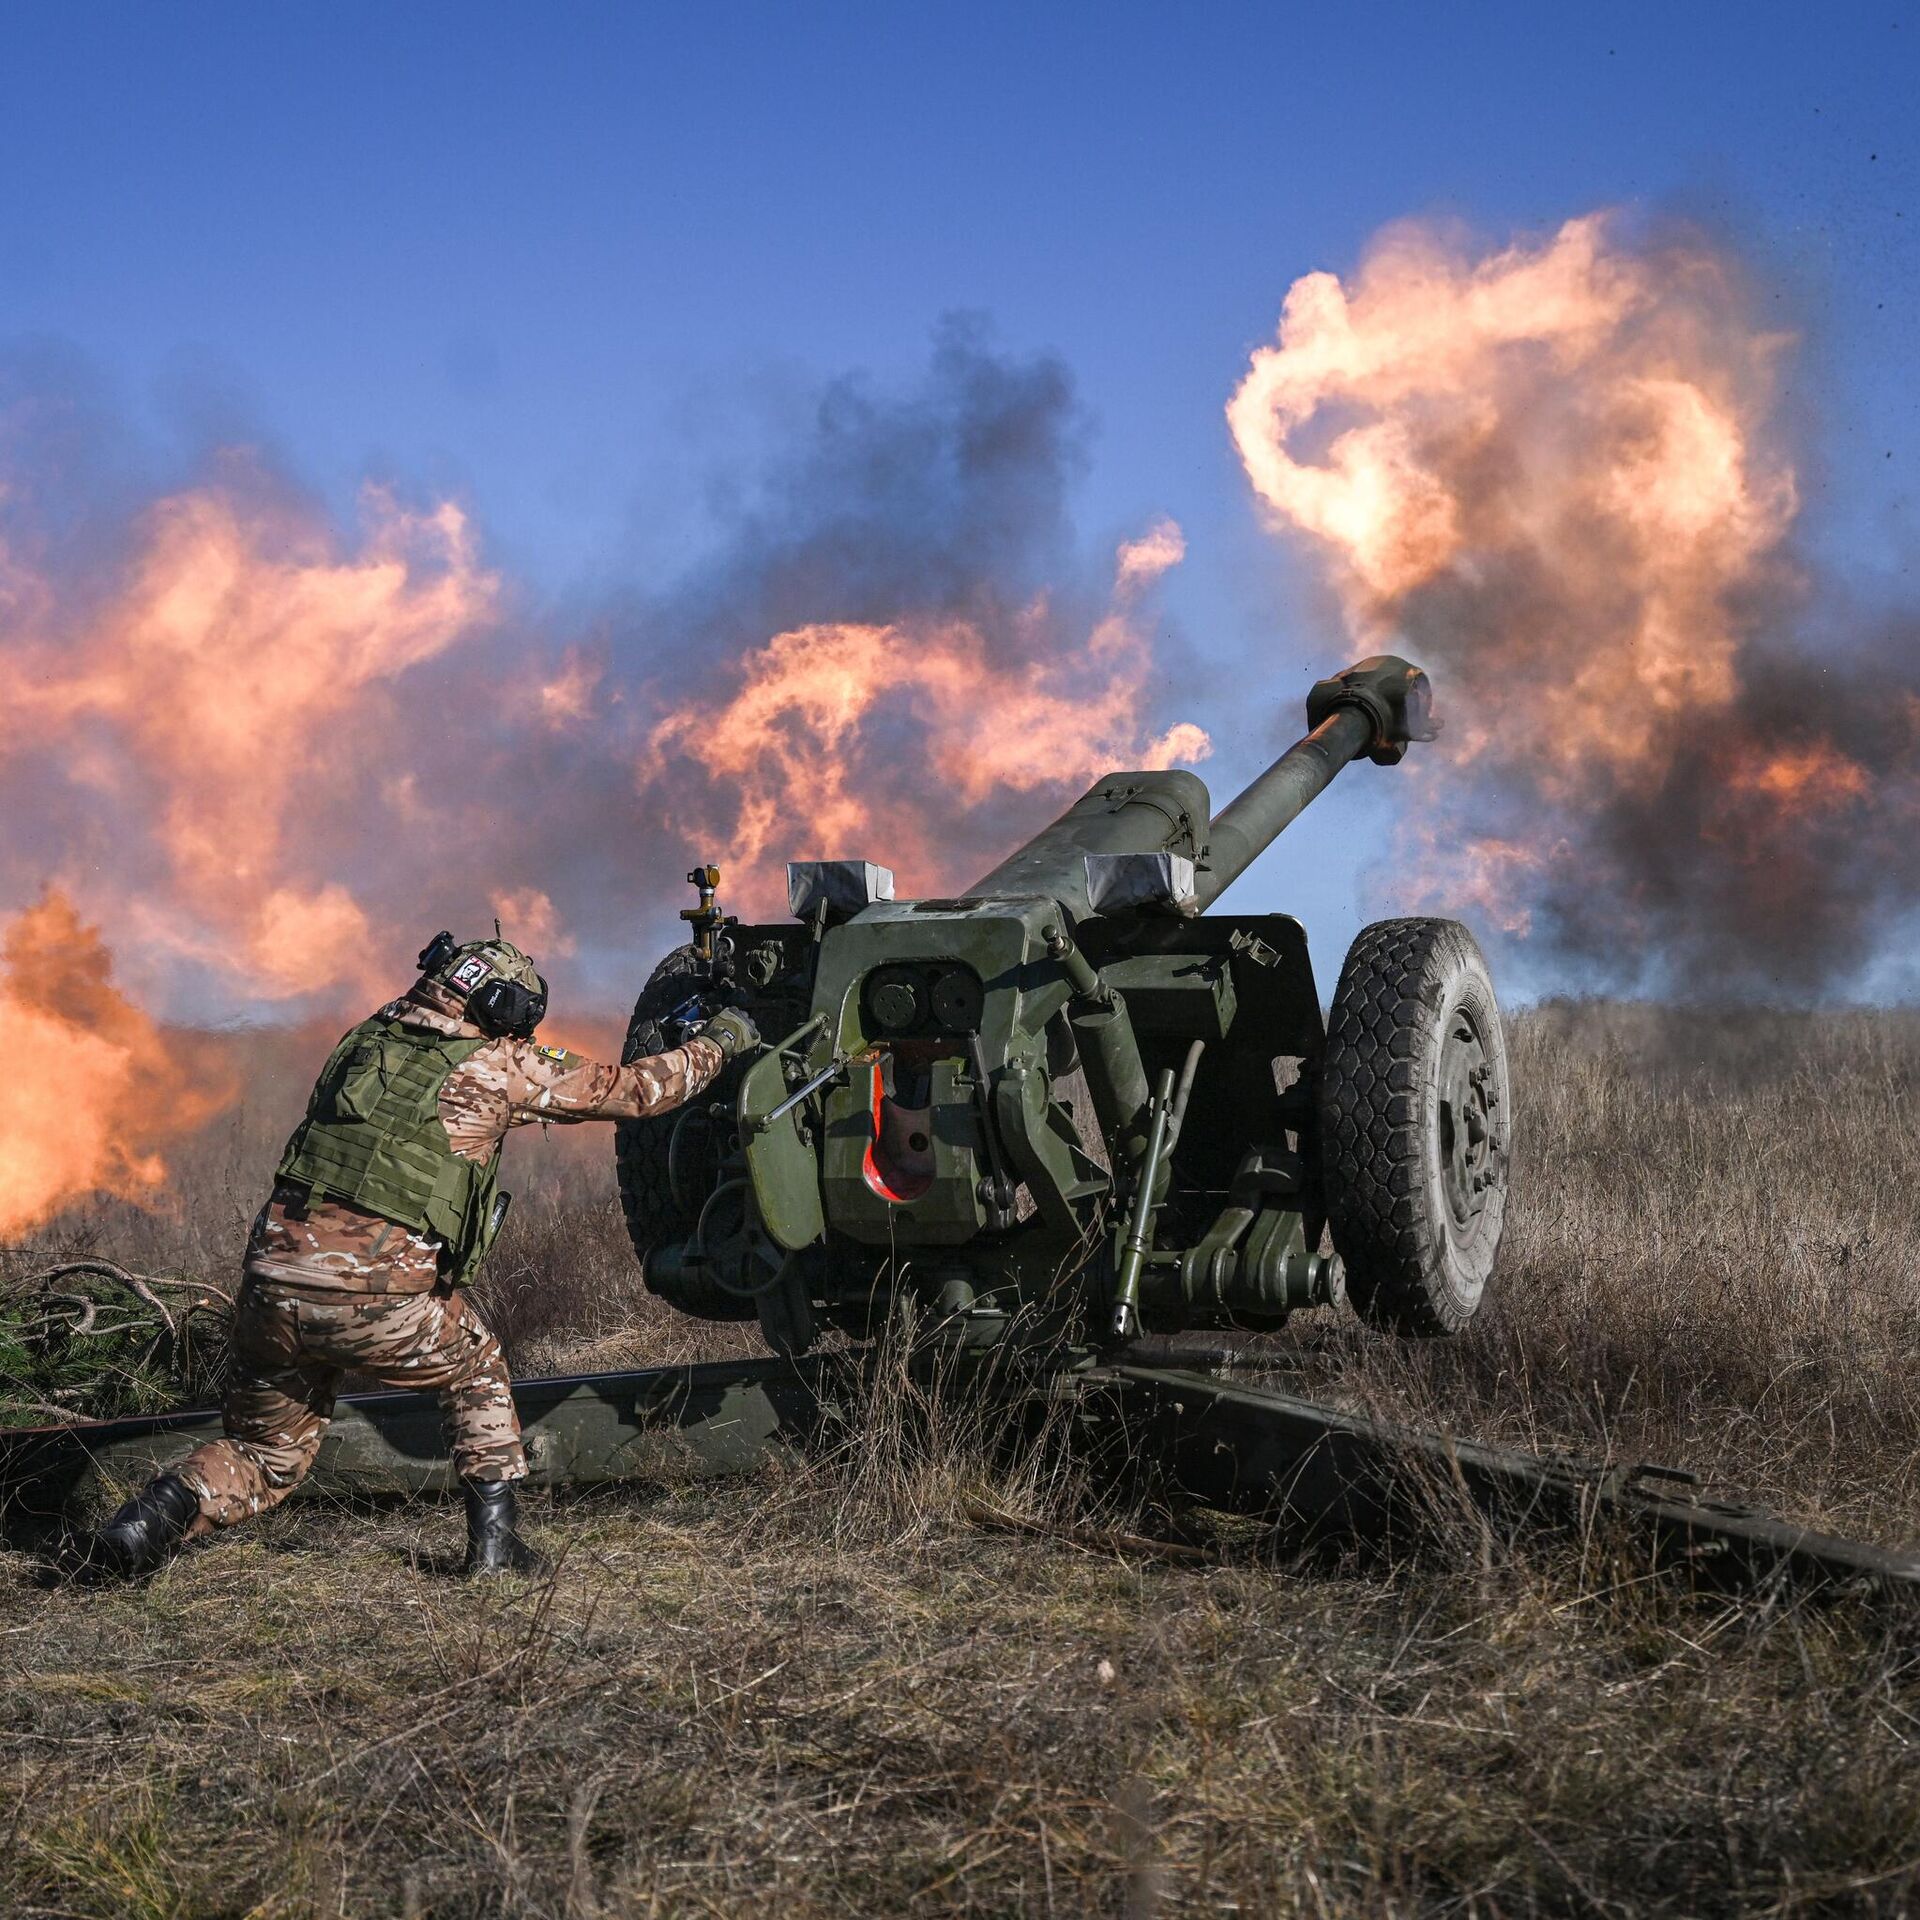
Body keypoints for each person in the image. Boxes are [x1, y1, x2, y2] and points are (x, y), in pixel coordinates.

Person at [77, 932, 756, 1582]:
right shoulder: (497, 1067)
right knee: (477, 1363)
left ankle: (146, 1523)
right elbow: (639, 1091)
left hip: (271, 1285)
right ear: (503, 1009)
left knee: (267, 1453)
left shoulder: (363, 1040)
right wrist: (723, 1040)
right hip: (375, 1295)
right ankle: (496, 1547)